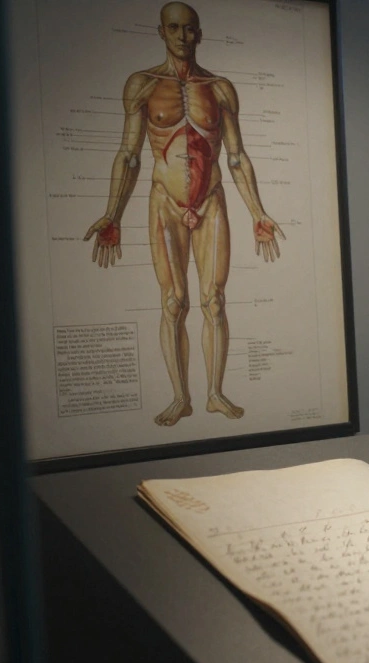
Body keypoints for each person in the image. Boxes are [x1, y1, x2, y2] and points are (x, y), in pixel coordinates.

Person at [82, 1, 285, 426]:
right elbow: (129, 154)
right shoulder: (141, 84)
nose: (182, 36)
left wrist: (258, 213)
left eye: (189, 28)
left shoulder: (221, 88)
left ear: (199, 33)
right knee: (174, 302)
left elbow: (236, 156)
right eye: (173, 28)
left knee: (214, 300)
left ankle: (213, 393)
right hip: (165, 204)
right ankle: (181, 397)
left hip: (211, 201)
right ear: (161, 32)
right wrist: (112, 214)